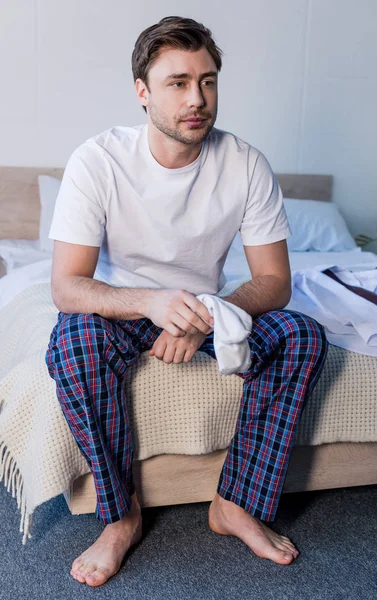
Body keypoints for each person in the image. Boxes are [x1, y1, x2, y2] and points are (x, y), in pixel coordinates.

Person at [45, 15, 329, 587]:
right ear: (143, 93)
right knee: (71, 340)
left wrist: (207, 317)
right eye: (177, 83)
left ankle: (235, 504)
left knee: (302, 335)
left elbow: (274, 279)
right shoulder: (98, 161)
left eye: (208, 80)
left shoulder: (246, 163)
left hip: (207, 311)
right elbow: (67, 285)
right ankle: (121, 514)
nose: (197, 99)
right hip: (125, 309)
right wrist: (151, 302)